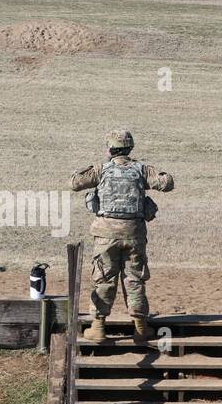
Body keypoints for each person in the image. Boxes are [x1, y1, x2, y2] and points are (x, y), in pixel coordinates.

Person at [70, 129, 175, 340]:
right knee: (134, 279)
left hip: (105, 234)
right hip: (134, 233)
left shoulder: (101, 169)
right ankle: (140, 328)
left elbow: (75, 183)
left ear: (110, 149)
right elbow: (167, 183)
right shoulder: (141, 170)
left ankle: (98, 327)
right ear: (130, 147)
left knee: (103, 278)